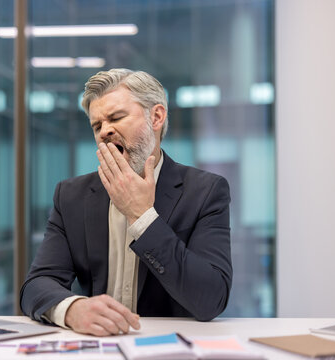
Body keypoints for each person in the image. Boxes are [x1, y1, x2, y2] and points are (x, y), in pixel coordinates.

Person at [20, 69, 232, 336]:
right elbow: (36, 285)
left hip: (168, 348)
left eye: (116, 117)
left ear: (156, 117)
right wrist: (73, 309)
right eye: (97, 126)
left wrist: (142, 216)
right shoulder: (71, 195)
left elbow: (212, 298)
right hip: (97, 347)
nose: (105, 131)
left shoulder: (205, 192)